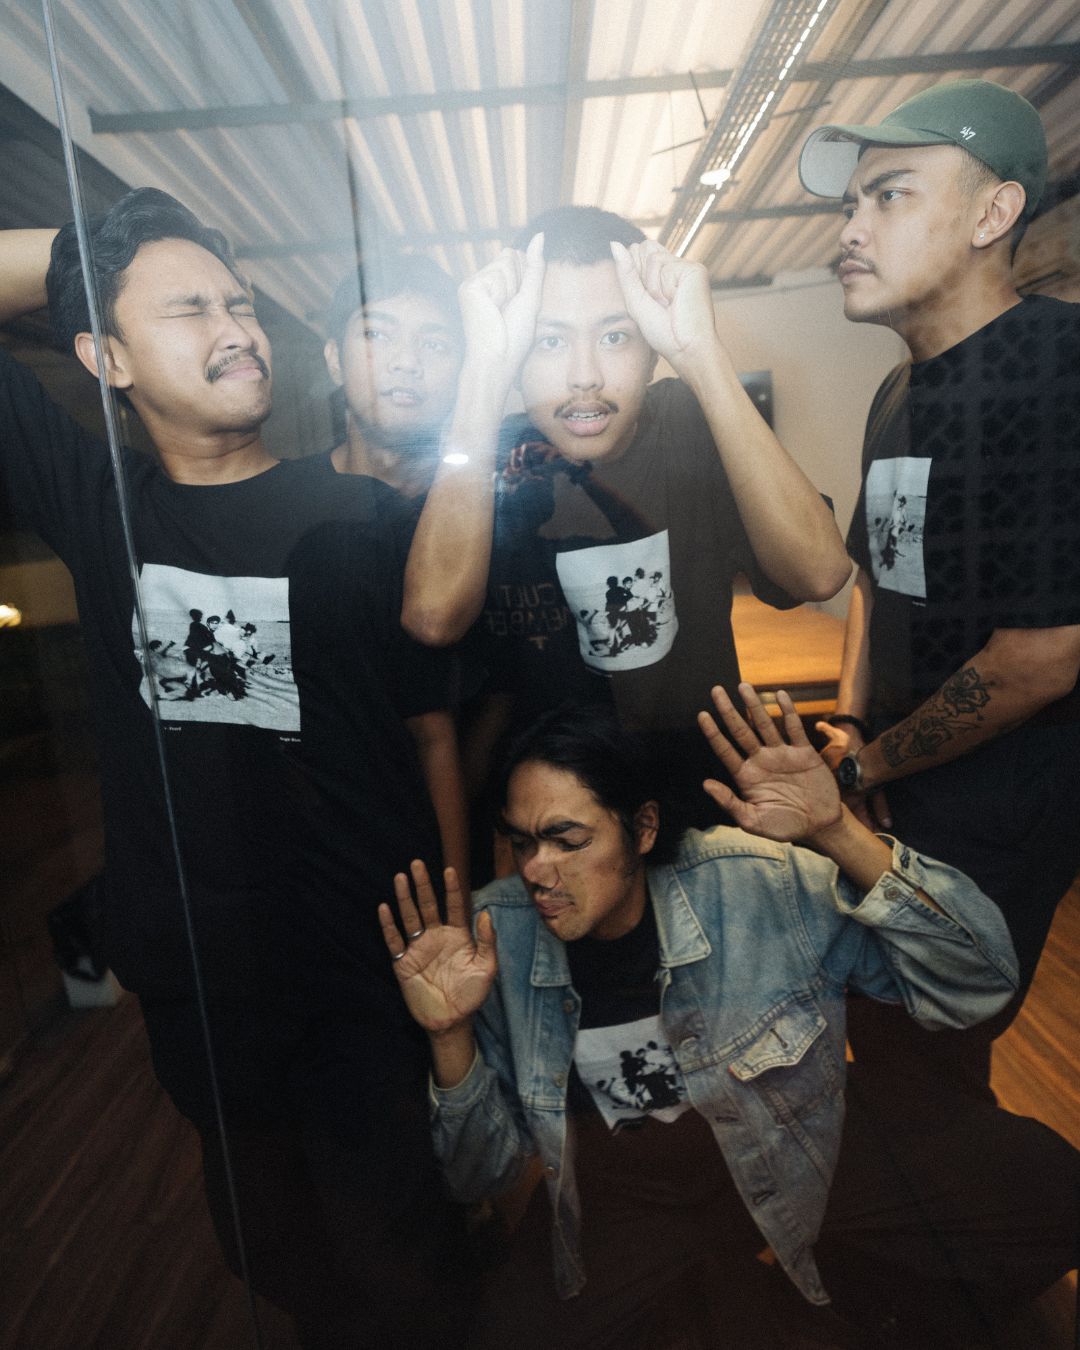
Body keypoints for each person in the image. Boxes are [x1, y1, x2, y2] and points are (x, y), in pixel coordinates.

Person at [0, 190, 472, 1346]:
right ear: (106, 358)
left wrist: (460, 909)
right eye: (190, 309)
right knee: (285, 1262)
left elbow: (431, 733)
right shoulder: (104, 510)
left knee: (410, 1266)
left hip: (366, 972)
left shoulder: (364, 515)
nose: (236, 329)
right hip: (207, 990)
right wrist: (95, 246)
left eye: (242, 303)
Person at [380, 688, 1078, 1348]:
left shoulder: (754, 881)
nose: (537, 869)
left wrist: (839, 830)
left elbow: (978, 979)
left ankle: (843, 1301)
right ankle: (724, 1289)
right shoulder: (495, 938)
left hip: (798, 1140)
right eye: (523, 842)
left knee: (1052, 1193)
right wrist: (450, 1036)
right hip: (632, 1196)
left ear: (643, 828)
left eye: (568, 840)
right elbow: (479, 1177)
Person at [798, 79, 1080, 1096]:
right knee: (888, 1056)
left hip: (998, 810)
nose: (851, 229)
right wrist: (848, 726)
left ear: (993, 214)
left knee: (930, 1065)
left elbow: (1040, 660)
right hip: (892, 786)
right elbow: (875, 582)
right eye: (851, 203)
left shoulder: (1055, 366)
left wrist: (864, 767)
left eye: (891, 195)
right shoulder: (898, 388)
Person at [403, 207, 851, 828]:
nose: (584, 376)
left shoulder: (690, 421)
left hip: (703, 811)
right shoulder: (495, 454)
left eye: (615, 337)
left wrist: (701, 354)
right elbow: (433, 618)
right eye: (549, 341)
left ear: (651, 351)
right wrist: (484, 371)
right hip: (555, 834)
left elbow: (819, 573)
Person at [321, 248, 463, 502]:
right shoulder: (281, 499)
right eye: (375, 334)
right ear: (334, 360)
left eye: (434, 344)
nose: (407, 362)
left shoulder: (498, 503)